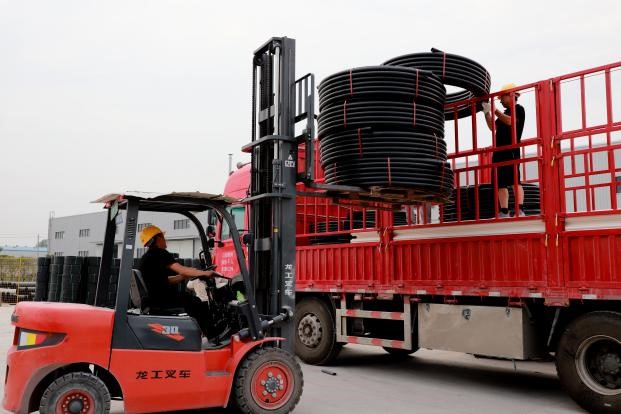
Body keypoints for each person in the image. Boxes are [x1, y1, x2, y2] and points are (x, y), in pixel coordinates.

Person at [138, 225, 215, 334]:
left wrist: (184, 276)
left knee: (188, 298)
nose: (165, 240)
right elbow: (182, 270)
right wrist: (205, 273)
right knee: (196, 302)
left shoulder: (147, 257)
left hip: (155, 298)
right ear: (158, 238)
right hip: (162, 300)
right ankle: (210, 334)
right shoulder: (160, 253)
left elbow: (164, 281)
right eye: (163, 237)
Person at [482, 83, 526, 218]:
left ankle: (519, 210)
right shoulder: (504, 113)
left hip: (511, 150)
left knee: (514, 180)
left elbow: (510, 122)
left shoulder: (518, 109)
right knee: (500, 182)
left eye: (502, 97)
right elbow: (493, 127)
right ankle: (504, 211)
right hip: (499, 151)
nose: (500, 101)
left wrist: (494, 110)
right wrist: (487, 112)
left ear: (511, 95)